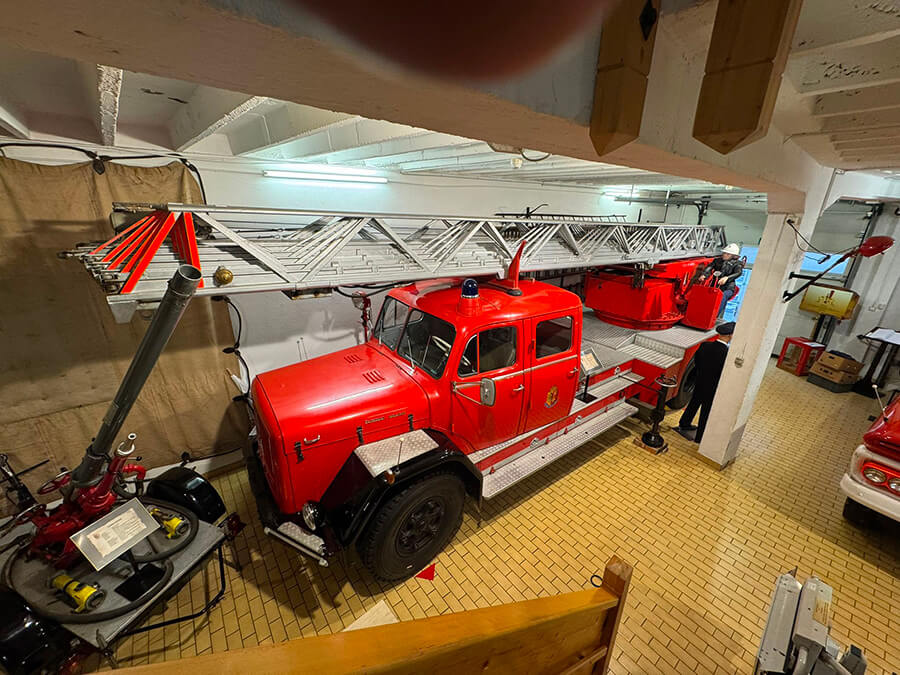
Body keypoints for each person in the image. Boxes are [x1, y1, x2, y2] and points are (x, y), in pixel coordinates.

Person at [675, 322, 735, 443]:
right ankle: (699, 437)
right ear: (730, 335)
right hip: (713, 386)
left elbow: (697, 362)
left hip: (700, 380)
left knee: (694, 403)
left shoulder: (705, 345)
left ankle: (684, 423)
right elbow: (724, 372)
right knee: (706, 411)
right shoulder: (726, 354)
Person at [699, 243, 743, 317]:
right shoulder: (717, 261)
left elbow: (738, 273)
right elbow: (710, 267)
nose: (724, 255)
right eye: (724, 253)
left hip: (728, 288)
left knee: (723, 296)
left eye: (728, 254)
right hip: (715, 285)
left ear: (733, 256)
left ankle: (713, 317)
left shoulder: (737, 264)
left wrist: (727, 278)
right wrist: (704, 274)